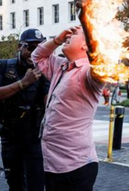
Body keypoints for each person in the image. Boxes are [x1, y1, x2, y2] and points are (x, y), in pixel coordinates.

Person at [31, 25, 105, 191]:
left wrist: (87, 19)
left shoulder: (87, 72)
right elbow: (37, 57)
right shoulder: (61, 66)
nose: (69, 34)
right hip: (52, 164)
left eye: (75, 33)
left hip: (77, 166)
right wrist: (56, 40)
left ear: (87, 45)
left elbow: (101, 72)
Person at [0, 28, 49, 191]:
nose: (34, 53)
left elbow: (49, 104)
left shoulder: (42, 72)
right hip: (10, 138)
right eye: (31, 47)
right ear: (20, 46)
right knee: (15, 184)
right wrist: (23, 83)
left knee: (36, 185)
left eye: (39, 48)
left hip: (33, 139)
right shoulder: (3, 66)